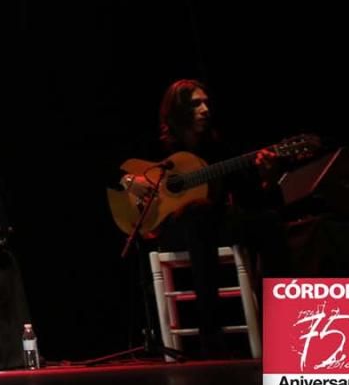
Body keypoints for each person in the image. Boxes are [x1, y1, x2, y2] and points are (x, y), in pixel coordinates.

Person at [122, 79, 285, 359]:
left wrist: (268, 177)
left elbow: (251, 195)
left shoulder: (220, 148)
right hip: (172, 228)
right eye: (196, 103)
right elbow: (121, 175)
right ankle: (211, 332)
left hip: (214, 224)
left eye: (207, 102)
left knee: (268, 220)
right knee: (197, 214)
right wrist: (130, 181)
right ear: (178, 111)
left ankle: (284, 322)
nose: (205, 109)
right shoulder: (157, 148)